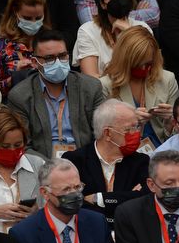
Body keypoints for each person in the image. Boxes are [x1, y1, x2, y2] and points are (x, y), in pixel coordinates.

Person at [8, 29, 106, 159]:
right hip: (42, 165)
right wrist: (49, 168)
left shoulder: (90, 87)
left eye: (62, 56)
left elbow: (102, 135)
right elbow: (23, 145)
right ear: (34, 63)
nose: (58, 62)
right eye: (49, 58)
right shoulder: (20, 96)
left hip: (85, 161)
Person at [61, 99, 151, 230]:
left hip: (128, 232)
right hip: (88, 232)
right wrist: (126, 197)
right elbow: (73, 203)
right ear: (108, 133)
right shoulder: (75, 161)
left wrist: (99, 198)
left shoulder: (141, 162)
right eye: (129, 129)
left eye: (137, 126)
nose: (136, 133)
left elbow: (145, 199)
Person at [98, 26, 178, 147]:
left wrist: (170, 121)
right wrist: (130, 122)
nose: (142, 69)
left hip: (163, 149)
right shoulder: (105, 85)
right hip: (124, 151)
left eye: (147, 64)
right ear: (125, 61)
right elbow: (103, 135)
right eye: (136, 64)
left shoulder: (167, 79)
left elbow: (178, 136)